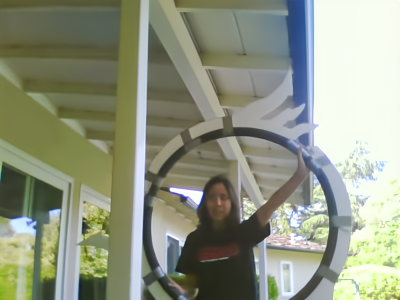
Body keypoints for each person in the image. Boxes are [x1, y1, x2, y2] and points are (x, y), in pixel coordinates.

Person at [171, 148, 310, 300]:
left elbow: (270, 206)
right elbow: (191, 288)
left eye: (223, 197)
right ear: (205, 204)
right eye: (212, 197)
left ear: (232, 203)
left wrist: (299, 176)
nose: (218, 203)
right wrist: (179, 290)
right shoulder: (194, 240)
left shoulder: (243, 233)